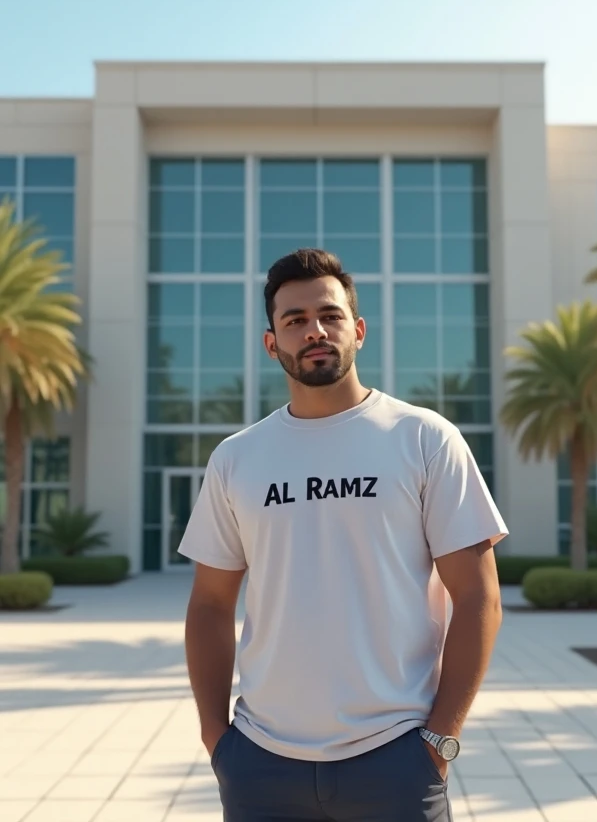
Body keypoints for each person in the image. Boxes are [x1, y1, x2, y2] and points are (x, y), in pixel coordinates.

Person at [180, 248, 508, 822]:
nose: (314, 331)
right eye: (295, 320)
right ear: (271, 342)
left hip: (397, 760)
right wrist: (217, 739)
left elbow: (479, 597)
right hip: (260, 764)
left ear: (357, 330)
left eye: (329, 316)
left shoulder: (424, 439)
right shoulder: (237, 458)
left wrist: (440, 742)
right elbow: (210, 603)